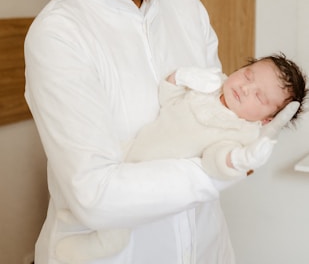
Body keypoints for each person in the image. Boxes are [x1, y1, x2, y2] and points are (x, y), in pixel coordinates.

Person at [24, 0, 299, 264]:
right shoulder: (60, 36)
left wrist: (247, 137)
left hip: (206, 247)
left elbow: (216, 116)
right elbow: (95, 196)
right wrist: (221, 169)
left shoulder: (186, 7)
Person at [55, 54, 307, 263]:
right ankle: (74, 216)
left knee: (117, 222)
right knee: (85, 184)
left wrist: (239, 160)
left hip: (148, 176)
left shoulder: (241, 132)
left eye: (259, 97)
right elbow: (170, 100)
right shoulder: (211, 85)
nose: (244, 87)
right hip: (131, 148)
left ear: (266, 120)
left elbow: (214, 160)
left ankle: (86, 249)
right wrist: (180, 78)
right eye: (247, 75)